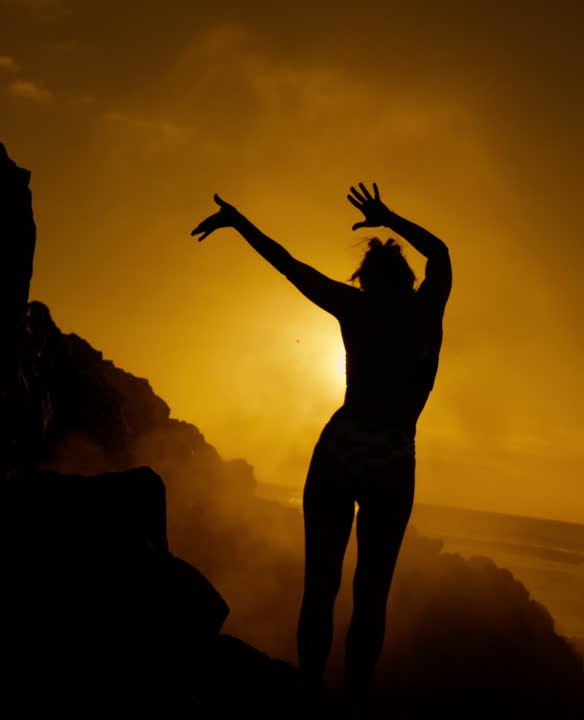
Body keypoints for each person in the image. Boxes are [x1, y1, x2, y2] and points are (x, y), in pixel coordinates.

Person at [191, 183, 452, 708]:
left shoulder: (356, 307)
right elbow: (441, 253)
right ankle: (345, 699)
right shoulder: (427, 312)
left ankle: (312, 691)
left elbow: (289, 266)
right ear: (405, 280)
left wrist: (240, 224)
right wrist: (390, 217)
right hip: (393, 463)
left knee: (323, 587)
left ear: (369, 282)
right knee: (368, 596)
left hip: (340, 454)